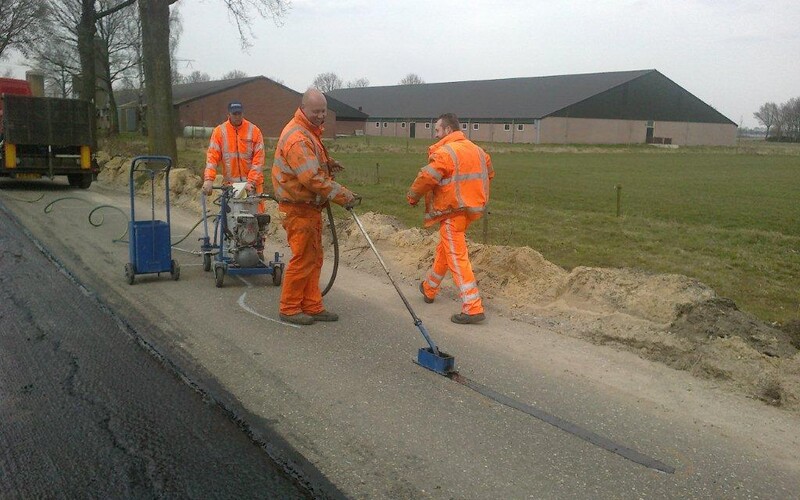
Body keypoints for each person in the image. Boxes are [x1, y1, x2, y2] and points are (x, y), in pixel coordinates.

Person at [271, 88, 359, 326]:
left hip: (309, 208)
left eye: (324, 111)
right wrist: (343, 195)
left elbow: (310, 164)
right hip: (297, 208)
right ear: (304, 108)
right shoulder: (297, 138)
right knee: (303, 258)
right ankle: (289, 308)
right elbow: (311, 178)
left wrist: (328, 163)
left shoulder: (308, 131)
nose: (322, 115)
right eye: (317, 111)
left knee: (314, 257)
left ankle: (312, 304)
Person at [406, 113, 494, 324]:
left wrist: (412, 195)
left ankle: (473, 307)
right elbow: (488, 174)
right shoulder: (479, 151)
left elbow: (427, 177)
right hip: (470, 209)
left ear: (447, 130)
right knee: (446, 249)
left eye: (437, 130)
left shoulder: (445, 152)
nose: (435, 135)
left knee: (456, 257)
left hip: (452, 210)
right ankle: (429, 288)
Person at [202, 101, 266, 212]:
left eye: (239, 114)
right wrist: (208, 179)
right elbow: (212, 158)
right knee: (231, 222)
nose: (237, 116)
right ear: (229, 115)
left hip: (253, 187)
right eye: (234, 114)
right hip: (231, 188)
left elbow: (258, 160)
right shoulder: (219, 132)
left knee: (257, 221)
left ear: (243, 114)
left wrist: (251, 182)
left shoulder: (254, 131)